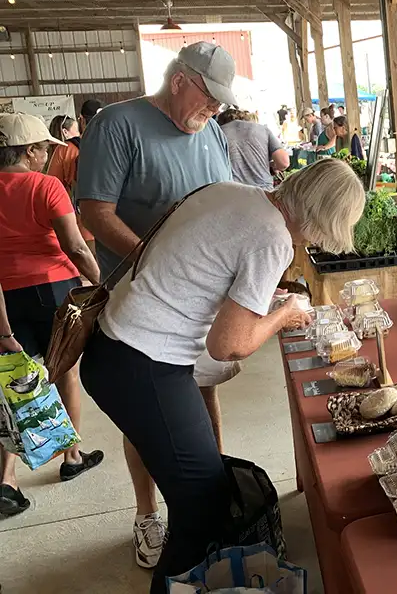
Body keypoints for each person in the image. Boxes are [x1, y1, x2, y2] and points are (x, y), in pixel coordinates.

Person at [80, 159, 365, 594]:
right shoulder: (273, 238)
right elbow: (228, 344)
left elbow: (202, 266)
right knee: (203, 504)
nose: (316, 241)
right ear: (321, 217)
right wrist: (285, 313)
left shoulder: (234, 191)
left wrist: (264, 297)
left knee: (195, 489)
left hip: (114, 348)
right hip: (145, 364)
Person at [77, 41, 235, 570]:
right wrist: (158, 258)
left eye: (219, 104)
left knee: (203, 401)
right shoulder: (118, 125)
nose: (213, 110)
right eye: (207, 98)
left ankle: (206, 504)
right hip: (138, 308)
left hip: (201, 304)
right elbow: (96, 213)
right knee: (147, 417)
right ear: (179, 80)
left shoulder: (211, 132)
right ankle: (148, 514)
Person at [0, 113, 105, 518]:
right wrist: (102, 284)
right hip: (52, 290)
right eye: (44, 149)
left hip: (5, 299)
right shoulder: (46, 187)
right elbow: (76, 248)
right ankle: (72, 456)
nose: (47, 155)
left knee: (14, 384)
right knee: (64, 373)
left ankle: (6, 481)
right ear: (28, 151)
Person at [45, 114, 96, 257]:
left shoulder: (64, 149)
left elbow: (52, 184)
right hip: (115, 218)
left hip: (79, 219)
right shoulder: (107, 144)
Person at [218, 108, 290, 189]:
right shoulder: (262, 129)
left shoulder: (218, 133)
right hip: (264, 192)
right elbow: (284, 163)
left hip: (233, 193)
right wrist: (273, 167)